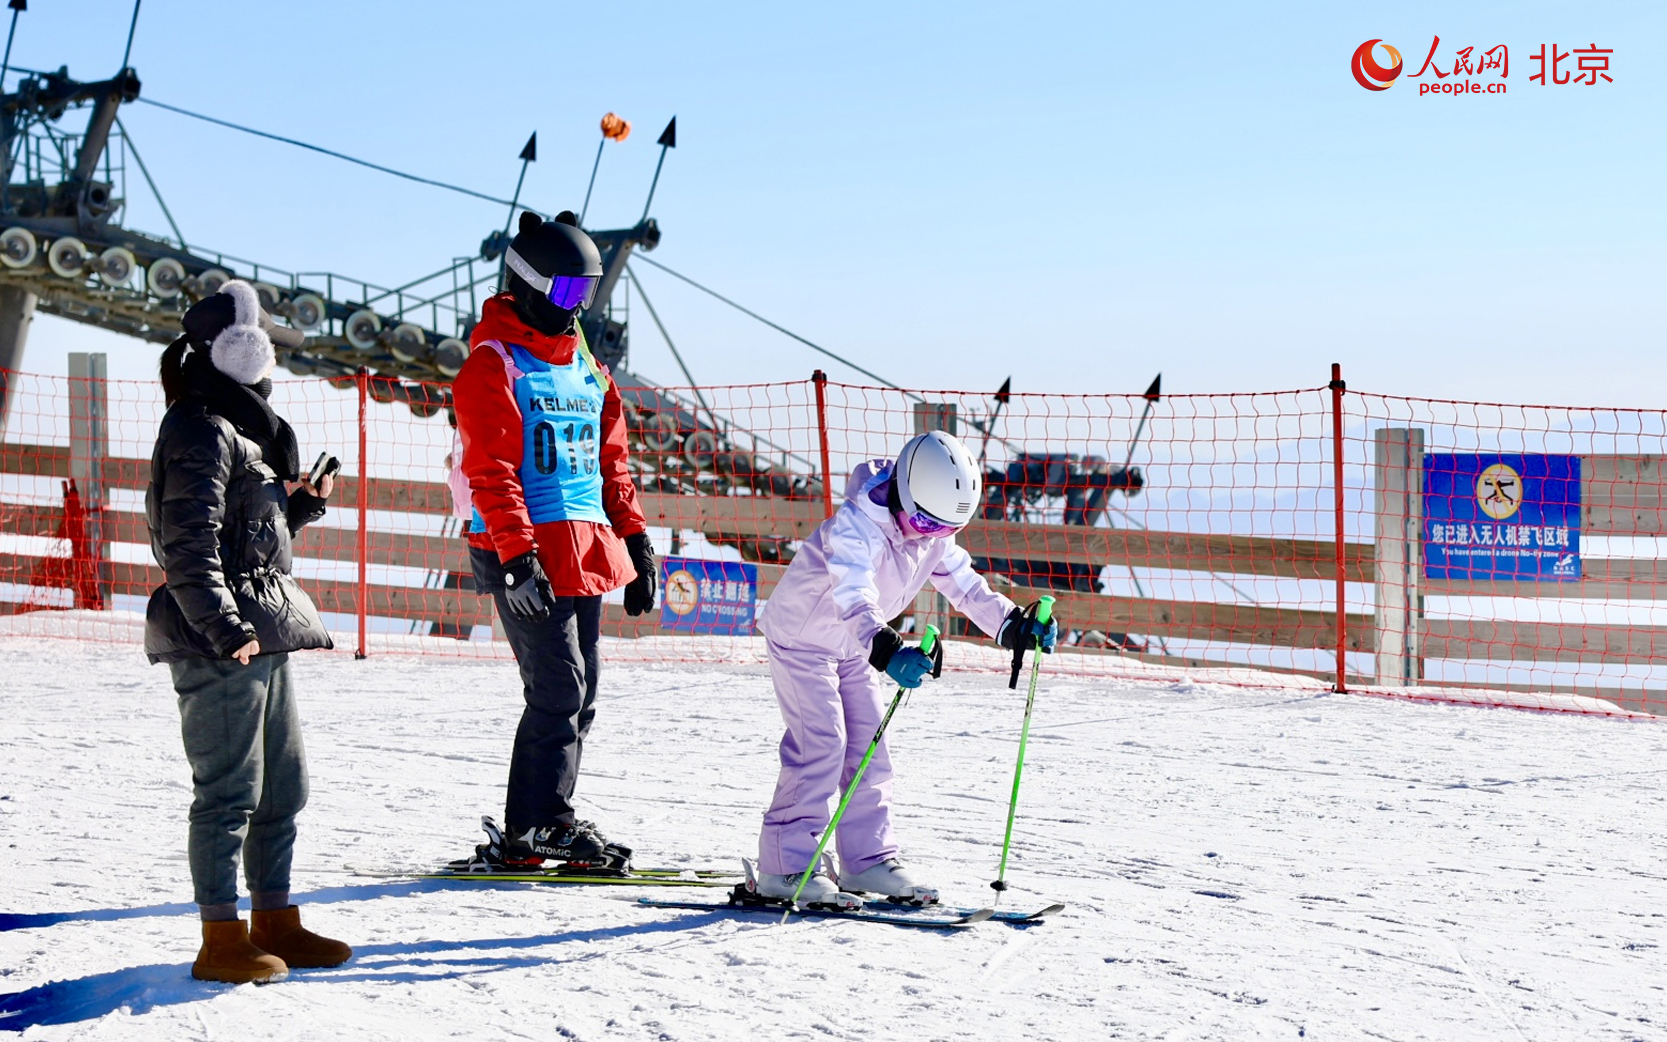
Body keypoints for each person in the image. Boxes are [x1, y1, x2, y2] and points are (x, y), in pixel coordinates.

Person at [752, 430, 1060, 909]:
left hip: (852, 649)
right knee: (822, 745)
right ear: (903, 490)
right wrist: (887, 648)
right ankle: (784, 865)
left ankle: (866, 859)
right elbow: (853, 594)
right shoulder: (857, 526)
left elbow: (964, 584)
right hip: (803, 639)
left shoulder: (931, 536)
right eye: (921, 521)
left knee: (871, 749)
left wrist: (1010, 626)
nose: (927, 535)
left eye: (941, 529)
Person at [145, 280, 352, 984]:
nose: (272, 365)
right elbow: (188, 543)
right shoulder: (200, 429)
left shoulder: (242, 432)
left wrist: (298, 510)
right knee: (229, 792)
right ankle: (220, 938)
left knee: (281, 789)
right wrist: (224, 626)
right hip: (222, 636)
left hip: (261, 627)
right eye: (264, 348)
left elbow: (246, 539)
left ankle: (275, 921)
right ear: (240, 353)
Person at [450, 210, 656, 869]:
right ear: (526, 284)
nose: (575, 308)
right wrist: (516, 559)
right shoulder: (493, 364)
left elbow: (611, 461)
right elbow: (491, 469)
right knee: (558, 688)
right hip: (523, 550)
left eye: (586, 294)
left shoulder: (588, 368)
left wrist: (637, 540)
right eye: (565, 293)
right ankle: (542, 824)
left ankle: (535, 825)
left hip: (586, 545)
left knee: (581, 689)